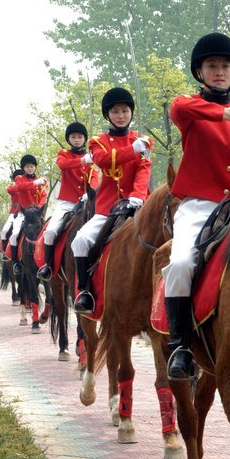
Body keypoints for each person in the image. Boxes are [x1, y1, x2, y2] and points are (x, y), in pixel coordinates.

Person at [163, 32, 230, 380]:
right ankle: (180, 344)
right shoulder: (189, 108)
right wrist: (227, 115)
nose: (220, 71)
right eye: (212, 66)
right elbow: (178, 107)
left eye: (225, 65)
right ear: (200, 72)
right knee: (180, 262)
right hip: (198, 206)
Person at [71, 87, 152, 314]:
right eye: (115, 111)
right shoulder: (98, 142)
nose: (121, 115)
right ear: (108, 115)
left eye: (125, 110)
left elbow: (144, 170)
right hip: (107, 209)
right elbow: (104, 161)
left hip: (138, 205)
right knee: (80, 240)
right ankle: (84, 291)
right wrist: (131, 149)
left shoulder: (143, 141)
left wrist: (137, 196)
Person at [37, 122, 99, 281]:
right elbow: (62, 165)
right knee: (50, 231)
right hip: (66, 203)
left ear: (84, 139)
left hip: (86, 201)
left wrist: (90, 191)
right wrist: (82, 161)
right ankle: (48, 266)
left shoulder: (91, 158)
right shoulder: (64, 153)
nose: (77, 139)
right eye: (73, 137)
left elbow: (93, 177)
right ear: (69, 139)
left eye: (80, 137)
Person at [8, 154, 48, 275]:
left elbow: (44, 196)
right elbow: (20, 187)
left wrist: (38, 208)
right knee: (14, 234)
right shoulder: (20, 178)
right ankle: (16, 262)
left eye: (31, 166)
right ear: (23, 168)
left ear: (34, 167)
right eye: (27, 167)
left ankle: (48, 262)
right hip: (23, 213)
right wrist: (35, 183)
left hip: (36, 213)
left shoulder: (42, 181)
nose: (29, 169)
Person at [1, 168, 23, 261]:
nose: (18, 179)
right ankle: (5, 252)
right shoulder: (12, 188)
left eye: (20, 177)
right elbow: (11, 189)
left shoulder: (27, 186)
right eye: (16, 178)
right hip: (14, 213)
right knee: (4, 231)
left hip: (27, 212)